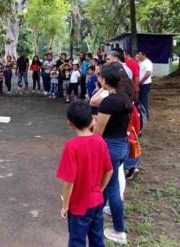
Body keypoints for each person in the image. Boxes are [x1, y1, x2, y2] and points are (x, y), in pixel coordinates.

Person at [57, 101, 113, 247]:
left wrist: (65, 205)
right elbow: (109, 170)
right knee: (97, 239)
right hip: (97, 201)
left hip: (78, 206)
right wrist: (99, 189)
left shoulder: (71, 146)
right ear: (92, 119)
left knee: (77, 241)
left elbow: (69, 181)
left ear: (70, 123)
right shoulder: (100, 141)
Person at [94, 63, 132, 245]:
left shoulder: (109, 101)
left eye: (99, 76)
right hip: (121, 145)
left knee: (113, 190)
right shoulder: (124, 97)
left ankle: (119, 231)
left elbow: (98, 132)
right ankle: (97, 211)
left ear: (104, 79)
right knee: (109, 185)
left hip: (109, 147)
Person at [137, 51, 153, 117]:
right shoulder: (140, 62)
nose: (138, 56)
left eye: (140, 55)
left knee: (143, 100)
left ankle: (146, 115)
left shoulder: (148, 63)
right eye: (138, 54)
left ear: (144, 55)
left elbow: (148, 73)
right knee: (140, 100)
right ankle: (141, 115)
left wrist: (141, 81)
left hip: (145, 84)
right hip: (140, 84)